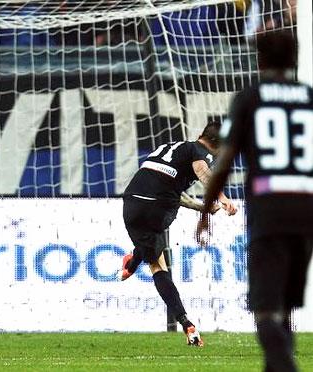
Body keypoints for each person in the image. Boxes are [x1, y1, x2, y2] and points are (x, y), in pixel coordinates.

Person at [197, 31, 313, 371]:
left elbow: (225, 161)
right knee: (286, 309)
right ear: (293, 60)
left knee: (265, 311)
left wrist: (206, 211)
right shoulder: (309, 97)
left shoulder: (250, 98)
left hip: (270, 208)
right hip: (307, 210)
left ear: (259, 60)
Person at [120, 121, 238, 346]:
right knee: (158, 266)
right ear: (217, 145)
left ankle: (132, 263)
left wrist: (201, 207)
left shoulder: (171, 148)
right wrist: (222, 199)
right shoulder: (200, 153)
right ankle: (187, 325)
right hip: (158, 208)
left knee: (150, 249)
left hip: (132, 202)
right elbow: (203, 173)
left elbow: (169, 190)